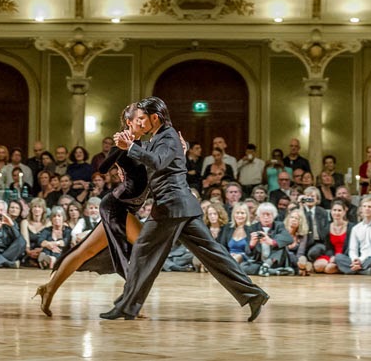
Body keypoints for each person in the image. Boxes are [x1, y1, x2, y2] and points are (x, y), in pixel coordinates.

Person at [101, 97, 268, 321]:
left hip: (171, 206)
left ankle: (128, 306)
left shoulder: (168, 136)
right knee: (213, 254)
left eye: (144, 118)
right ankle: (253, 295)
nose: (141, 123)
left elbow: (158, 162)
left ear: (154, 117)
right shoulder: (160, 137)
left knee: (142, 252)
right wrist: (125, 153)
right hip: (181, 207)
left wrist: (131, 147)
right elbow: (153, 165)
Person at [34, 105, 150, 316]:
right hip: (118, 207)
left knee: (85, 251)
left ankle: (48, 288)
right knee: (144, 248)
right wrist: (120, 148)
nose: (144, 122)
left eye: (145, 118)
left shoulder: (143, 146)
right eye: (139, 119)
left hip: (124, 207)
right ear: (129, 122)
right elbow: (104, 168)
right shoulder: (126, 144)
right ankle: (130, 302)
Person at [334, 197, 371, 275]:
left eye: (369, 207)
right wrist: (355, 259)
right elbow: (352, 249)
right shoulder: (356, 228)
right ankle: (364, 271)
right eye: (364, 206)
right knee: (338, 257)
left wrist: (361, 260)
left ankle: (355, 270)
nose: (366, 209)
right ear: (361, 209)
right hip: (359, 259)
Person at [241, 202, 293, 276]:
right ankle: (274, 271)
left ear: (273, 216)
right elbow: (248, 253)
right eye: (263, 214)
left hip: (275, 261)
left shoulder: (279, 225)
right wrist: (252, 244)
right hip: (260, 261)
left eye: (268, 214)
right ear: (259, 216)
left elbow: (289, 239)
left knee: (280, 245)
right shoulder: (253, 228)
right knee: (243, 267)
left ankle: (267, 266)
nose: (266, 217)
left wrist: (271, 241)